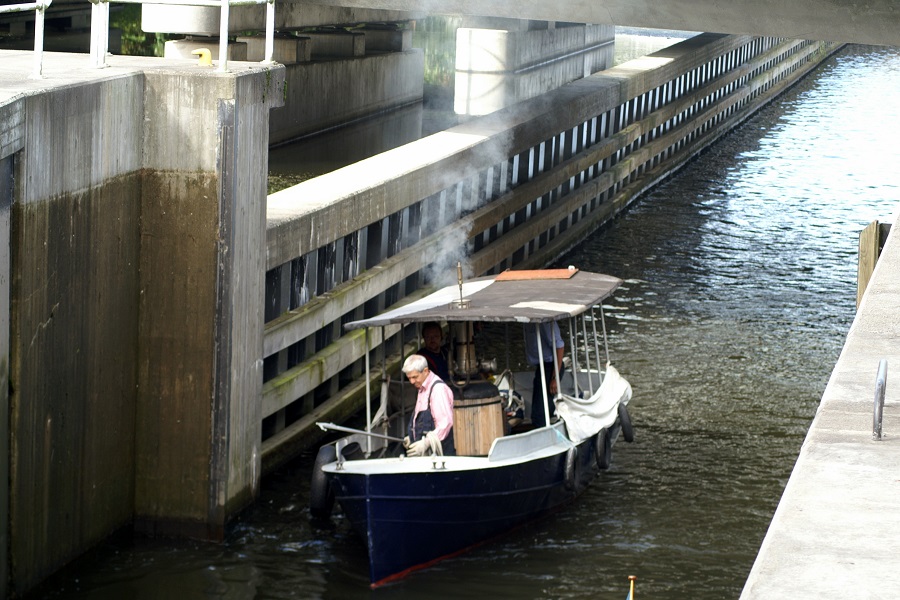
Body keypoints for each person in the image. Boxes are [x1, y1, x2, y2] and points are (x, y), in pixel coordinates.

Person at [401, 354, 456, 457]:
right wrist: (412, 437)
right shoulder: (421, 388)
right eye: (409, 378)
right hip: (425, 458)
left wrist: (426, 443)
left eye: (415, 377)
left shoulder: (438, 390)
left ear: (425, 371)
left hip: (438, 458)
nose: (412, 381)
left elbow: (445, 424)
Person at [524, 321, 565, 428]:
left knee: (539, 414)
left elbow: (559, 346)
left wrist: (555, 377)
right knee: (541, 409)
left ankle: (544, 433)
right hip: (541, 367)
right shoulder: (527, 320)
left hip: (550, 366)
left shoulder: (544, 322)